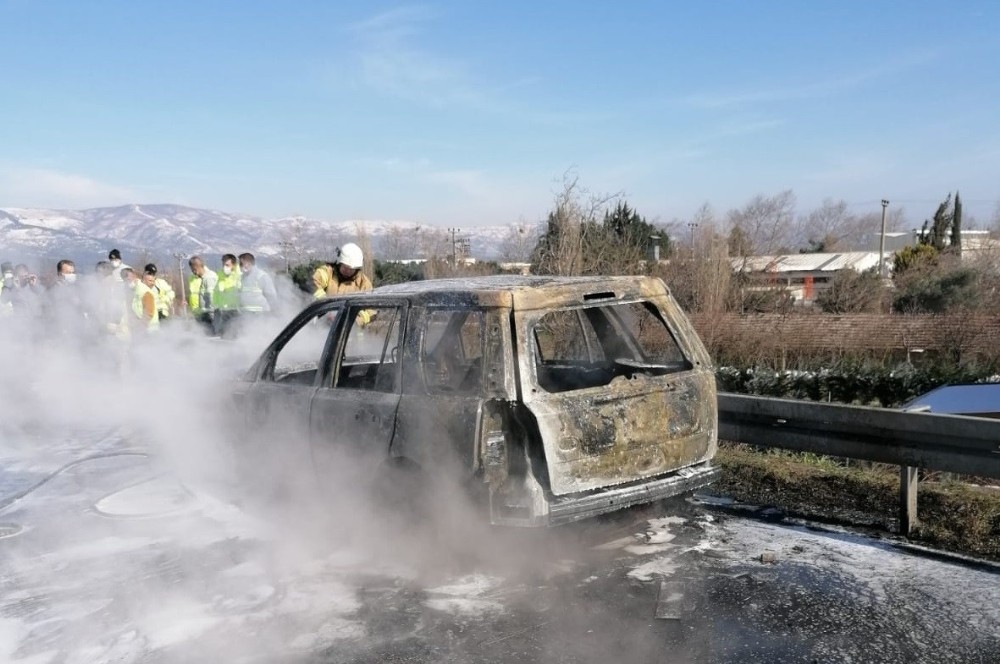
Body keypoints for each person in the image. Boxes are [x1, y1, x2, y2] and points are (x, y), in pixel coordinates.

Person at [237, 252, 277, 321]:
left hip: (261, 316)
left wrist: (272, 314)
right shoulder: (242, 277)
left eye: (241, 264)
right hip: (246, 315)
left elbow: (272, 296)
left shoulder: (262, 276)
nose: (239, 266)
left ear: (248, 263)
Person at [187, 256, 218, 334]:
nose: (193, 272)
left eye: (193, 269)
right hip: (203, 313)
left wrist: (212, 315)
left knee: (211, 337)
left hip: (210, 315)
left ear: (198, 267)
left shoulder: (209, 277)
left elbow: (211, 297)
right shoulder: (203, 277)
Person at [122, 267, 159, 334]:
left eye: (129, 279)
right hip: (139, 330)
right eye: (125, 280)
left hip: (149, 331)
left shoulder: (144, 291)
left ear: (134, 276)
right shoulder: (131, 291)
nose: (127, 281)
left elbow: (149, 313)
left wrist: (140, 327)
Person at [213, 253, 241, 338]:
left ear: (234, 265)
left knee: (237, 334)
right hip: (224, 310)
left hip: (236, 310)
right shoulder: (219, 274)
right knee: (225, 335)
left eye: (227, 265)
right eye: (223, 264)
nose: (225, 267)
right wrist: (216, 305)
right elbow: (216, 292)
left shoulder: (239, 275)